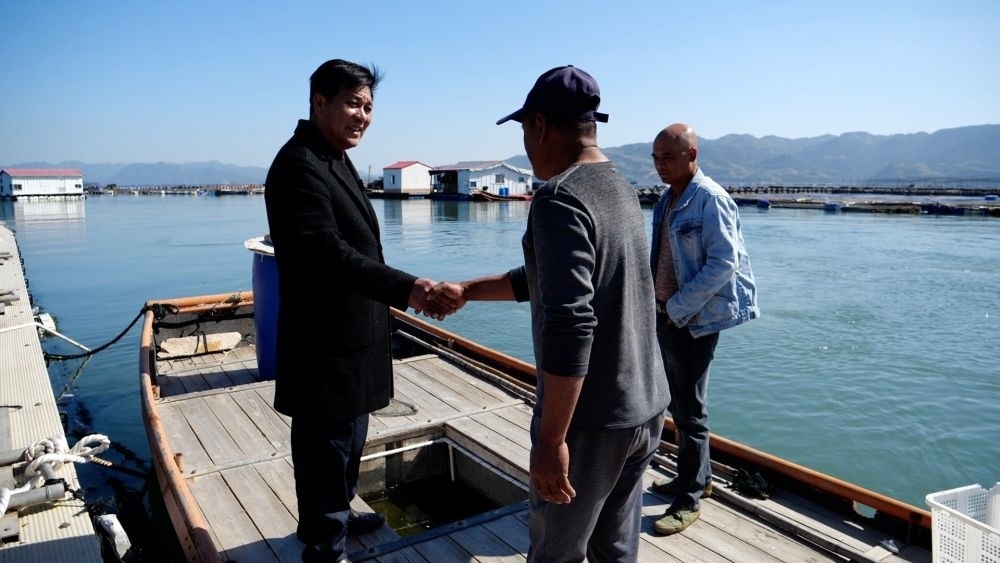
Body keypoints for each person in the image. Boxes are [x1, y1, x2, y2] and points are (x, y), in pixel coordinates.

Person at [434, 65, 669, 562]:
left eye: (524, 130)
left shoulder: (559, 197)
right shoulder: (620, 187)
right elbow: (547, 277)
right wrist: (467, 290)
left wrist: (551, 440)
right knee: (614, 549)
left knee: (556, 553)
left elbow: (570, 323)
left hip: (592, 421)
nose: (526, 143)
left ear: (539, 125)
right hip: (645, 405)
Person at [263, 58, 459, 563]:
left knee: (350, 437)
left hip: (356, 332)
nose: (363, 116)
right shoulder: (299, 164)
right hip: (322, 338)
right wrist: (409, 288)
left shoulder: (333, 157)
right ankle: (324, 545)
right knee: (325, 443)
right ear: (320, 102)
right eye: (353, 103)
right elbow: (326, 252)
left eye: (369, 106)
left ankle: (338, 515)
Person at [648, 123, 760, 535]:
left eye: (668, 157)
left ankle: (689, 499)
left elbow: (724, 262)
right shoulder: (667, 199)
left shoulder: (710, 199)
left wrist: (677, 307)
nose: (660, 166)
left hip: (692, 319)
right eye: (655, 158)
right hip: (665, 314)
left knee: (691, 413)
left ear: (691, 155)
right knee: (679, 406)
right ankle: (699, 478)